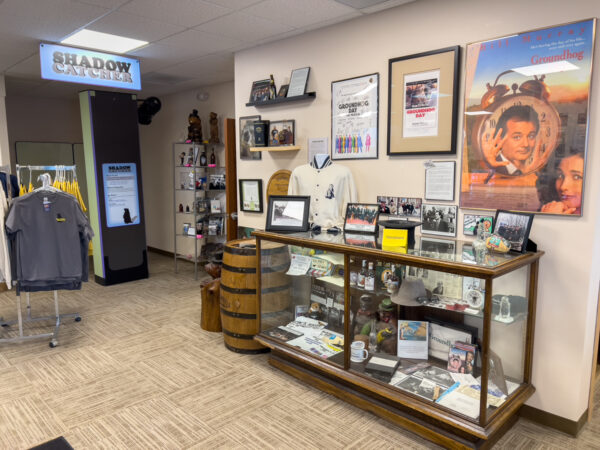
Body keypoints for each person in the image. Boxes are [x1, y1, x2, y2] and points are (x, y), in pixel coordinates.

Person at [482, 105, 542, 176]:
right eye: (517, 137)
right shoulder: (491, 169)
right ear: (499, 140)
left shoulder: (535, 172)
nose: (526, 144)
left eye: (531, 136)